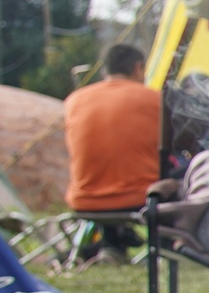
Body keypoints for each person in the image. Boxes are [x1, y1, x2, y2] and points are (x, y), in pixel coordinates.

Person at [63, 42, 162, 255]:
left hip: (84, 200)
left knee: (109, 168)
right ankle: (169, 245)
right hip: (140, 199)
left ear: (104, 69)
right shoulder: (154, 99)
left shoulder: (74, 100)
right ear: (138, 68)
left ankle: (113, 245)